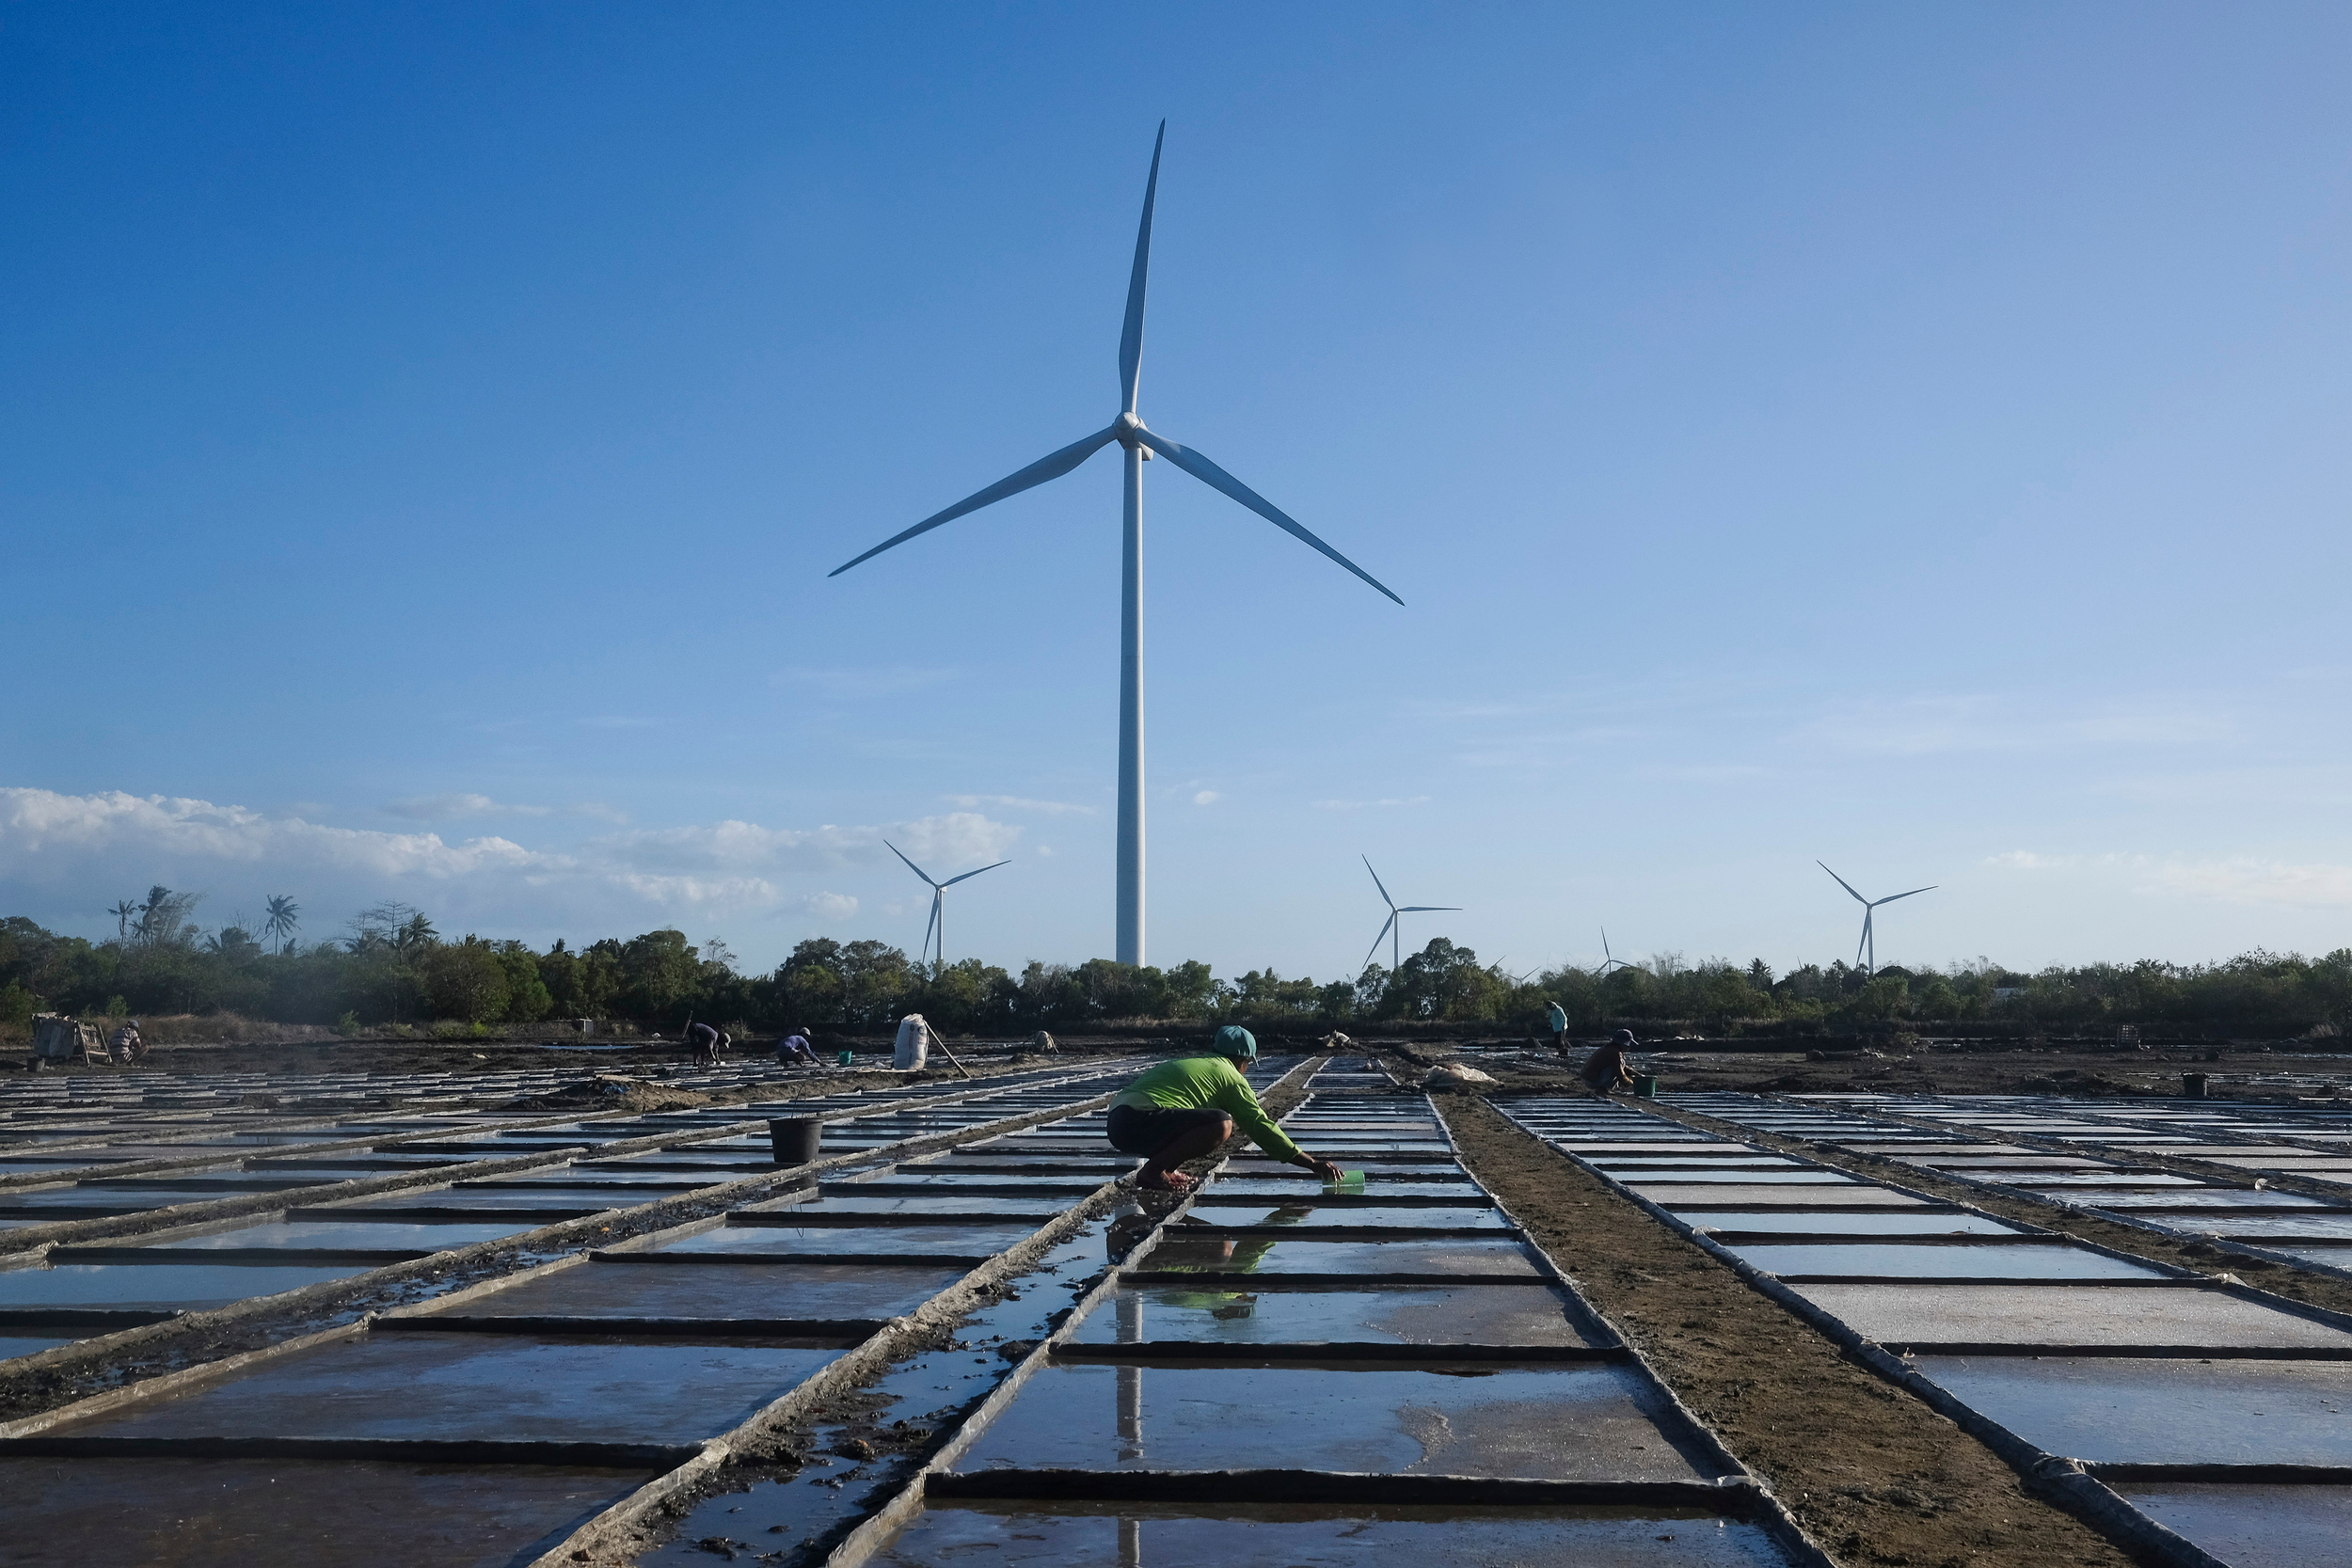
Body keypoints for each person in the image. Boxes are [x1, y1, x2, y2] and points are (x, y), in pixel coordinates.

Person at [1106, 1025, 1344, 1192]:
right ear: (1243, 1061)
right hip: (1139, 1119)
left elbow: (1177, 1125)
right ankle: (1153, 1172)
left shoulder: (1198, 1063)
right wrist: (1311, 1164)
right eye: (1247, 1064)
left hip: (1118, 1122)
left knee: (1198, 1122)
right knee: (1221, 1124)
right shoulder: (1231, 1076)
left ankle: (1163, 1171)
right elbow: (1260, 1126)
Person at [1581, 1027, 1638, 1097]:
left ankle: (1602, 1089)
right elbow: (1619, 1073)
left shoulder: (1610, 1049)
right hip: (1592, 1081)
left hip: (1589, 1078)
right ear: (1623, 1043)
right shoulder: (1614, 1053)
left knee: (1622, 1063)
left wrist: (1637, 1075)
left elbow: (1623, 1067)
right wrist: (1631, 1084)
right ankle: (1603, 1089)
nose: (1629, 1047)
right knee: (1613, 1068)